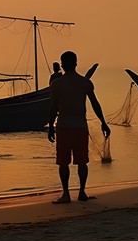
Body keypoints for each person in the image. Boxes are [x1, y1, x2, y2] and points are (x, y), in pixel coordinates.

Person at [47, 50, 109, 204]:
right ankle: (82, 192)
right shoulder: (84, 82)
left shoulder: (57, 84)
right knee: (82, 162)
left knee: (63, 162)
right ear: (75, 63)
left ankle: (66, 194)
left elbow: (53, 108)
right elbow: (95, 104)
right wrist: (103, 122)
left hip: (63, 126)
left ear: (62, 65)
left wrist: (50, 126)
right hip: (80, 126)